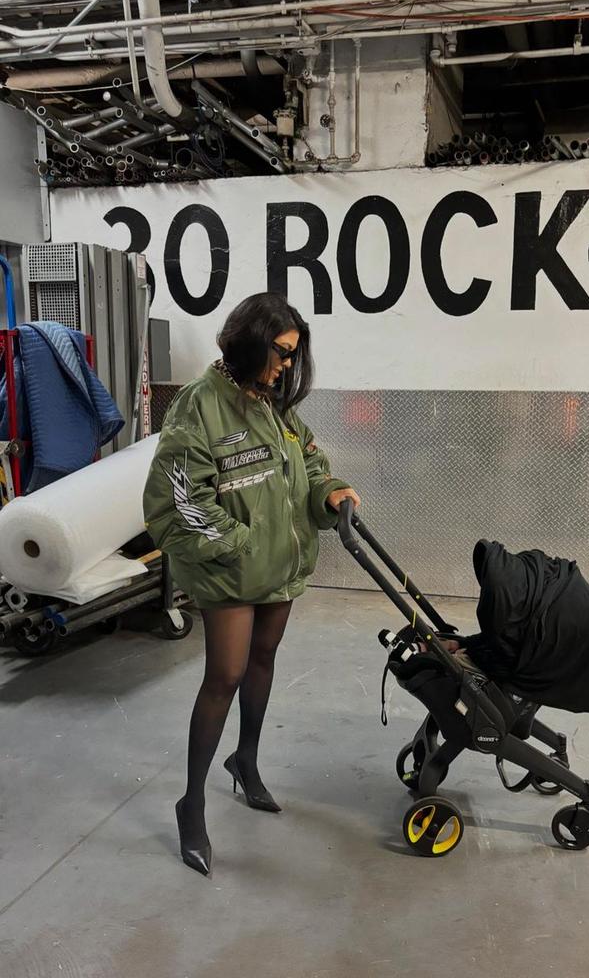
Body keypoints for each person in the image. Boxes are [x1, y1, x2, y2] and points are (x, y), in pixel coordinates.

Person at [143, 293, 361, 877]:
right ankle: (191, 803)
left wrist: (330, 491)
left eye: (293, 356)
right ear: (249, 341)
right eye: (281, 353)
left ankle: (246, 761)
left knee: (263, 659)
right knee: (226, 675)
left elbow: (310, 465)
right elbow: (174, 503)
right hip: (233, 571)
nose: (287, 366)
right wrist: (242, 544)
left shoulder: (276, 406)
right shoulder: (198, 406)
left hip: (281, 569)